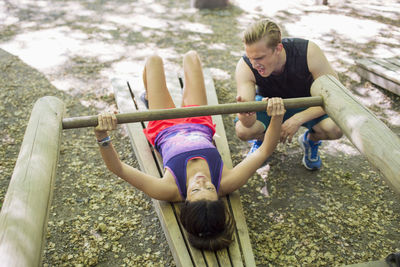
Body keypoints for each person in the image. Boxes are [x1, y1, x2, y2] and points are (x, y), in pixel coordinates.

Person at [94, 51, 286, 250]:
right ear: (218, 196)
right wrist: (277, 116)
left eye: (195, 189)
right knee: (192, 57)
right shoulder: (227, 182)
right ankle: (152, 95)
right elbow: (264, 151)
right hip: (199, 121)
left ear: (185, 201)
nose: (202, 181)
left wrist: (102, 136)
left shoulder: (168, 189)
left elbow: (118, 168)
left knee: (154, 61)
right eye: (210, 189)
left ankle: (150, 97)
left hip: (164, 125)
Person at [235, 19, 343, 171]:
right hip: (269, 107)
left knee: (335, 128)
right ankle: (263, 141)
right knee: (244, 130)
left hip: (307, 104)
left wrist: (297, 119)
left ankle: (310, 141)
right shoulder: (245, 66)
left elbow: (335, 96)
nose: (254, 64)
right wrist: (245, 114)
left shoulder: (308, 52)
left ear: (278, 48)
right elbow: (246, 124)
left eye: (259, 58)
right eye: (250, 57)